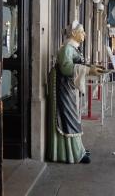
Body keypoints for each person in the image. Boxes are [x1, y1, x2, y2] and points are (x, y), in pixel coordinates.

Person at [47, 21, 102, 164]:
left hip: (69, 87)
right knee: (68, 118)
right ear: (73, 33)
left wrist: (91, 67)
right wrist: (88, 70)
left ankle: (78, 148)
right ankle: (71, 152)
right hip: (64, 89)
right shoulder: (67, 48)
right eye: (82, 31)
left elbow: (76, 65)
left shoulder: (73, 48)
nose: (84, 34)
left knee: (73, 117)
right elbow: (66, 68)